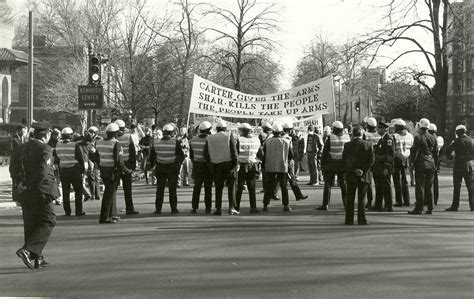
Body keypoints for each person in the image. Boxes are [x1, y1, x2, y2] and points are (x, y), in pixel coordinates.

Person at [11, 121, 58, 270]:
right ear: (47, 134)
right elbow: (43, 171)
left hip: (25, 191)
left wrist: (21, 184)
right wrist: (31, 183)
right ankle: (28, 249)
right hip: (41, 190)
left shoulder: (21, 148)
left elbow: (13, 169)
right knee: (48, 220)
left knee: (31, 223)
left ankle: (37, 257)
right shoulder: (45, 149)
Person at [204, 120, 240, 215]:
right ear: (225, 128)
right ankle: (231, 207)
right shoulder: (228, 136)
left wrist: (210, 164)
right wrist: (236, 164)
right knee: (231, 187)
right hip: (229, 165)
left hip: (216, 165)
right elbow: (234, 151)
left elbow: (206, 153)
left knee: (218, 188)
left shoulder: (210, 138)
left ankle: (218, 208)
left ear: (216, 129)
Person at [95, 123, 128, 223]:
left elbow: (96, 157)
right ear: (116, 133)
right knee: (108, 194)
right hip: (113, 171)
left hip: (104, 170)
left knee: (111, 192)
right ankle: (104, 217)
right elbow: (118, 161)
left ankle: (112, 214)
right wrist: (126, 170)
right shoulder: (115, 143)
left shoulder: (99, 142)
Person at [149, 124, 185, 214]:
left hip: (160, 169)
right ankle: (173, 209)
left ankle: (158, 209)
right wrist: (177, 164)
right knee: (172, 190)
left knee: (160, 190)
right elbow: (181, 156)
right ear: (172, 133)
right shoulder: (175, 142)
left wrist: (153, 166)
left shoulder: (156, 143)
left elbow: (152, 158)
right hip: (172, 169)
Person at [342, 125, 374, 225]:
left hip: (351, 175)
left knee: (350, 198)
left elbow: (345, 161)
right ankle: (362, 219)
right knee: (362, 198)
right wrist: (362, 170)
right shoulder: (368, 145)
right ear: (362, 133)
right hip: (364, 175)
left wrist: (354, 170)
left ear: (353, 134)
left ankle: (349, 220)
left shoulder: (347, 145)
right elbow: (371, 160)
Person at [317, 121, 349, 211]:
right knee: (343, 184)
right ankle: (346, 204)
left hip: (331, 164)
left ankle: (325, 204)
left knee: (328, 184)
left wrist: (322, 165)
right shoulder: (347, 137)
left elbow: (325, 152)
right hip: (342, 164)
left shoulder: (330, 138)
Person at [408, 118, 438, 215]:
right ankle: (430, 208)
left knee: (420, 187)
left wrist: (412, 162)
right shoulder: (433, 138)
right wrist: (436, 165)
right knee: (429, 187)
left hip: (421, 163)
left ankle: (419, 208)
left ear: (420, 127)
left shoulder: (418, 138)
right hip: (431, 163)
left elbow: (414, 151)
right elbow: (435, 153)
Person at [262, 123, 293, 212]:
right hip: (282, 166)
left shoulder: (267, 142)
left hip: (270, 166)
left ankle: (265, 205)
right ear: (281, 132)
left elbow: (264, 156)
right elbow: (291, 155)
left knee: (268, 186)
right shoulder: (286, 141)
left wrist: (263, 166)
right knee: (284, 187)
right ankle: (286, 205)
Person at [55, 127, 85, 216]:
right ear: (71, 135)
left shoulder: (58, 145)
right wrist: (82, 170)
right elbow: (80, 159)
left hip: (63, 171)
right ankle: (78, 211)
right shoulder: (75, 145)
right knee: (78, 192)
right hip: (75, 170)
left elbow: (57, 159)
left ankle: (67, 211)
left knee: (65, 192)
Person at [445, 125, 473, 211]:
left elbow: (448, 151)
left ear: (457, 132)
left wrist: (450, 157)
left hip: (458, 164)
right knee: (470, 186)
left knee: (457, 186)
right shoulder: (471, 140)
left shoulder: (456, 140)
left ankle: (455, 205)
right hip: (469, 164)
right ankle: (473, 205)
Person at [235, 123, 263, 213]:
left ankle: (236, 207)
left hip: (242, 165)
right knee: (252, 187)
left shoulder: (239, 140)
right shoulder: (256, 140)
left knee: (239, 187)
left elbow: (235, 153)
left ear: (243, 131)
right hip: (253, 165)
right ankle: (253, 207)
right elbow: (261, 154)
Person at [115, 119, 139, 215]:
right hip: (126, 165)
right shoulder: (128, 137)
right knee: (127, 188)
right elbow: (133, 152)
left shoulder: (110, 138)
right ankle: (129, 209)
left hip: (116, 166)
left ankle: (112, 210)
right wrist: (132, 167)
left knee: (114, 189)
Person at [189, 121, 213, 214]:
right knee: (208, 188)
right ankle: (208, 208)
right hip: (207, 166)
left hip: (197, 165)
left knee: (196, 187)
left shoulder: (193, 140)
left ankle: (194, 207)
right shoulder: (210, 139)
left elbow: (191, 155)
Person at [372, 121, 395, 212]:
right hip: (378, 167)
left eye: (379, 128)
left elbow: (390, 155)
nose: (378, 130)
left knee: (386, 186)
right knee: (379, 186)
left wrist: (387, 167)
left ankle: (388, 205)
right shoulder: (382, 139)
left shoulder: (388, 139)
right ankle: (378, 204)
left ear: (384, 129)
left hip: (384, 166)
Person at [283, 122, 308, 201]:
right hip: (287, 161)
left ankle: (269, 197)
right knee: (291, 179)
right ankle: (298, 195)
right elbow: (291, 151)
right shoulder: (289, 138)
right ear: (290, 130)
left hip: (281, 162)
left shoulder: (282, 137)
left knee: (277, 180)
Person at [392, 119, 414, 207]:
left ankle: (399, 201)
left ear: (398, 127)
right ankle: (407, 200)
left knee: (397, 180)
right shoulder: (410, 136)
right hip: (406, 159)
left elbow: (392, 149)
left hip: (397, 159)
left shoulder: (394, 136)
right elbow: (412, 147)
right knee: (405, 180)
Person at [363, 117, 381, 210]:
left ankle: (369, 201)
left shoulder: (365, 134)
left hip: (368, 160)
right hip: (378, 160)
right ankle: (378, 201)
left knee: (369, 182)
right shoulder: (379, 134)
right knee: (377, 182)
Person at [9, 124, 27, 202]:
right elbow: (12, 150)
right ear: (18, 131)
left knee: (21, 178)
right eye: (22, 131)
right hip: (15, 161)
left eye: (24, 131)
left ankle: (20, 195)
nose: (23, 132)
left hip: (22, 161)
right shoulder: (13, 139)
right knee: (15, 179)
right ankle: (15, 197)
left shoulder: (25, 139)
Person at [428, 123, 443, 205]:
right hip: (437, 162)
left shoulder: (429, 138)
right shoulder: (440, 139)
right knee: (435, 183)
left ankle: (427, 199)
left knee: (428, 183)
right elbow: (440, 153)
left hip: (430, 161)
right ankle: (435, 200)